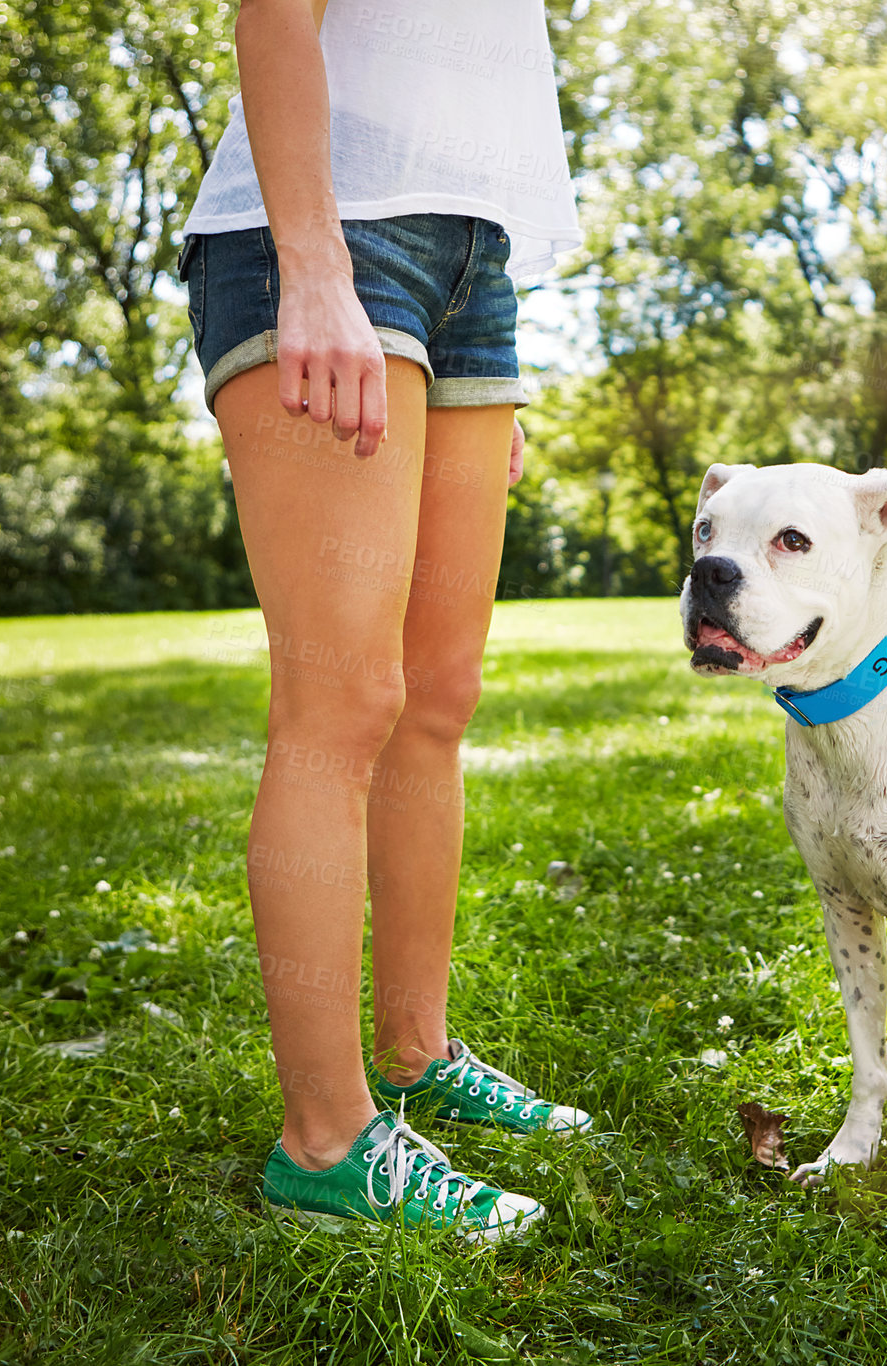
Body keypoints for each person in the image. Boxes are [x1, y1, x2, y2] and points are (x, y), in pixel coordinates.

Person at [178, 0, 590, 1241]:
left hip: (473, 265)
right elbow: (274, 17)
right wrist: (316, 271)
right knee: (341, 699)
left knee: (437, 695)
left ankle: (414, 1053)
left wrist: (475, 368)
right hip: (321, 234)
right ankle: (324, 1139)